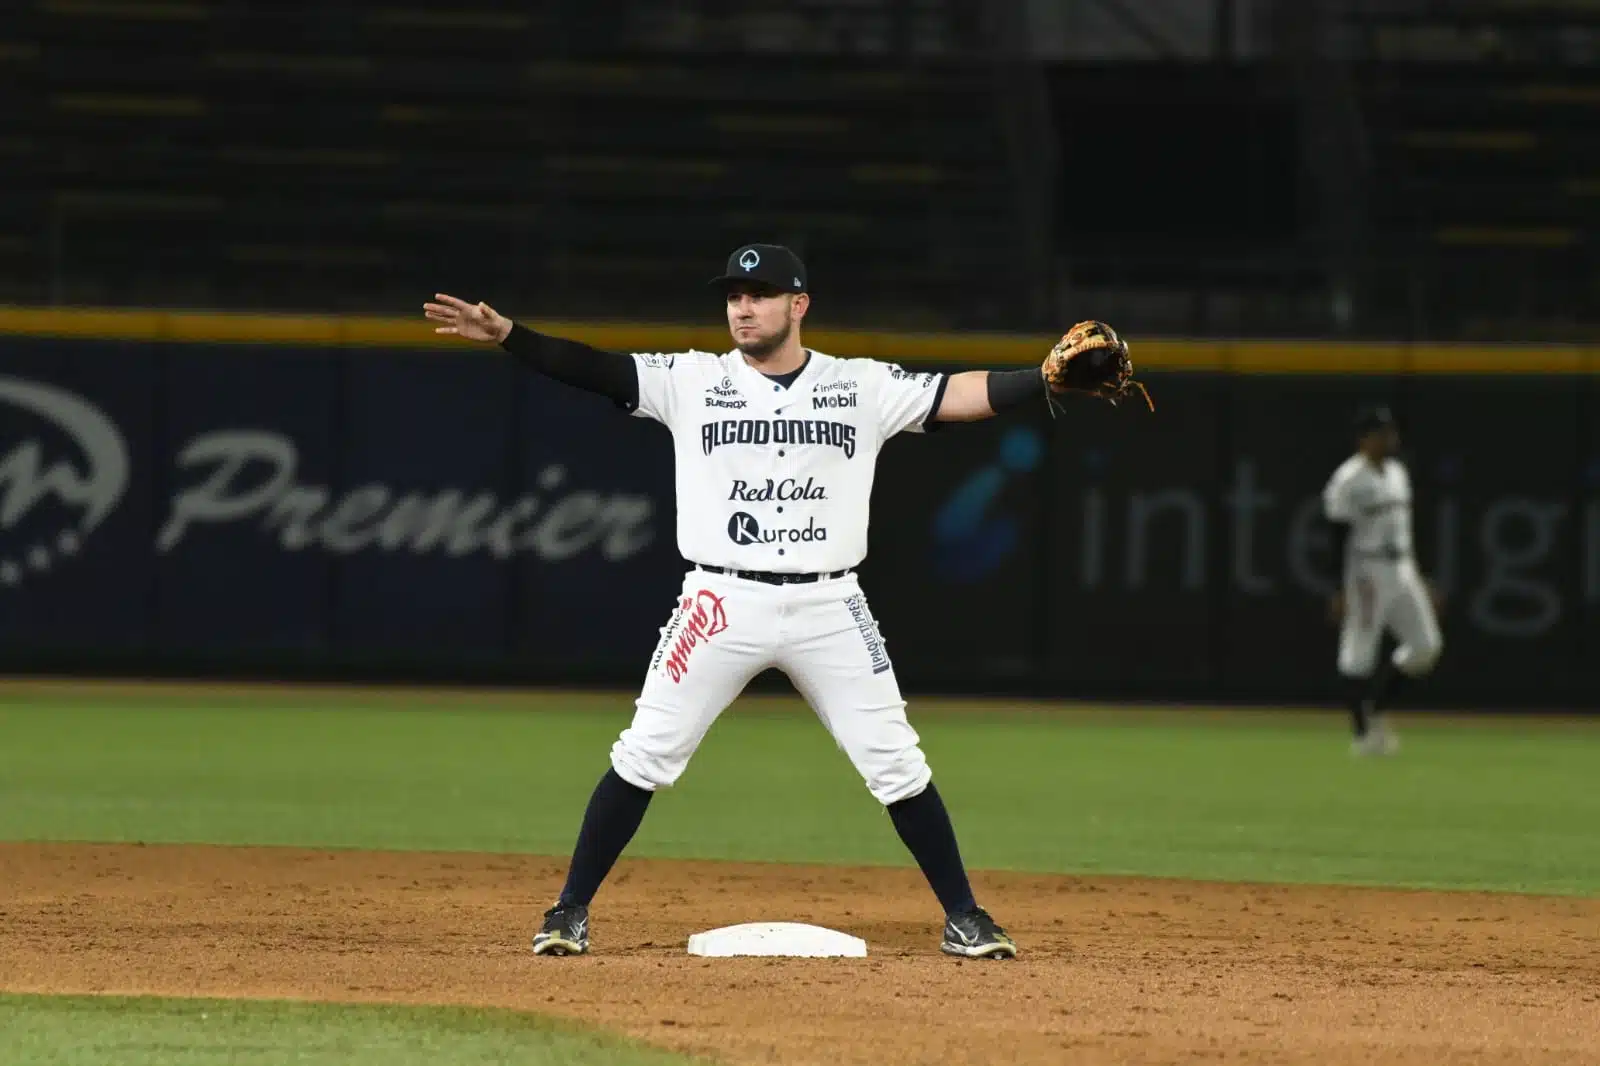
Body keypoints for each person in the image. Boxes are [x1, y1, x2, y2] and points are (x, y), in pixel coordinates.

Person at [425, 243, 1127, 960]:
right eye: (733, 294)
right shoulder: (691, 379)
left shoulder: (859, 385)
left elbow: (953, 395)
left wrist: (1036, 377)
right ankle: (568, 909)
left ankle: (965, 916)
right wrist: (511, 336)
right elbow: (593, 368)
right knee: (645, 754)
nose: (742, 306)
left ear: (798, 305)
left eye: (758, 294)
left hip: (830, 605)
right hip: (719, 600)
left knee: (896, 763)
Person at [1321, 404, 1444, 756]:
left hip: (1402, 566)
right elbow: (1335, 536)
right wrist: (1338, 588)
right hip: (1367, 571)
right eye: (1381, 433)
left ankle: (1375, 707)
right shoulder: (1348, 479)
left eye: (1391, 432)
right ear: (1364, 439)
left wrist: (1420, 577)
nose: (1390, 438)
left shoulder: (1397, 474)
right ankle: (1363, 736)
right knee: (1359, 653)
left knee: (1426, 647)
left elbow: (1405, 532)